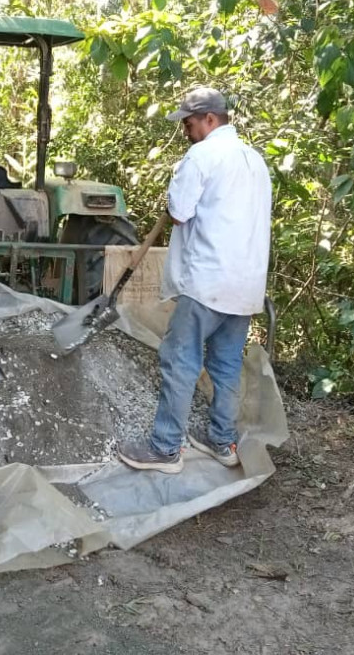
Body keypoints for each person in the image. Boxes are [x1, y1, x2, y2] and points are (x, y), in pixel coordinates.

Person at [118, 88, 271, 474]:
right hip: (246, 285)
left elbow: (181, 213)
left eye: (188, 123)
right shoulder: (255, 161)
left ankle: (165, 448)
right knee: (225, 366)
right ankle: (222, 442)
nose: (185, 131)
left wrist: (175, 196)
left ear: (209, 119)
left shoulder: (202, 156)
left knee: (180, 362)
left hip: (207, 281)